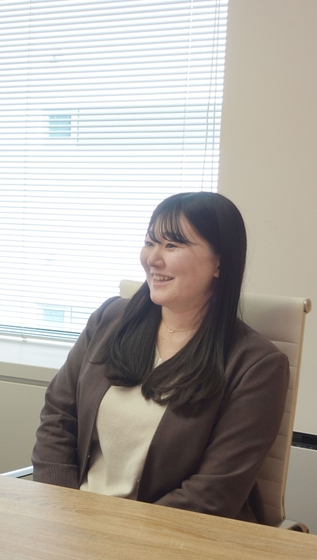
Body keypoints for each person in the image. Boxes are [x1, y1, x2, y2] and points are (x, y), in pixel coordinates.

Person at [31, 192, 289, 523]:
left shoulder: (257, 364)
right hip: (76, 520)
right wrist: (63, 508)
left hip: (171, 534)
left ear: (219, 262)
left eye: (172, 245)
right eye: (150, 242)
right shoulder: (110, 320)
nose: (153, 259)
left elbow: (214, 493)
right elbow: (58, 417)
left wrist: (120, 533)